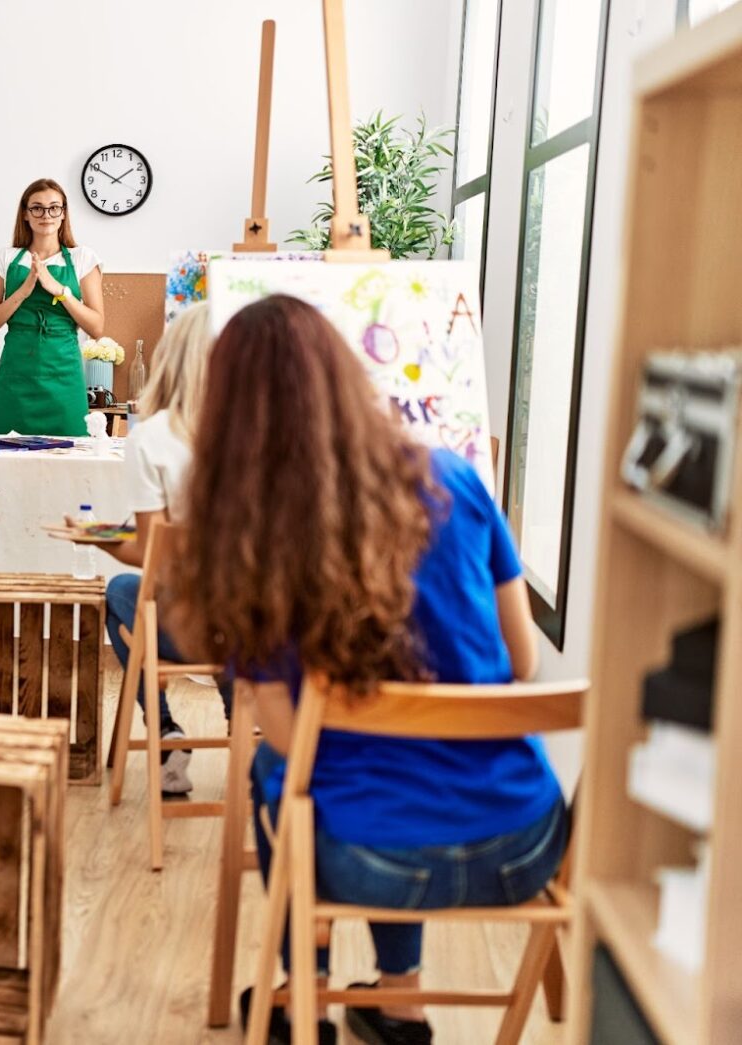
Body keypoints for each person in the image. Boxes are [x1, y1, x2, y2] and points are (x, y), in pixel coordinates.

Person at [172, 295, 563, 1045]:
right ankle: (401, 1003)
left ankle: (307, 1001)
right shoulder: (455, 477)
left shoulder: (260, 538)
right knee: (384, 777)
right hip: (524, 839)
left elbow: (289, 741)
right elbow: (522, 658)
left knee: (279, 779)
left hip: (373, 858)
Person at [94, 303, 232, 794]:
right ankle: (247, 727)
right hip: (261, 630)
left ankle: (168, 733)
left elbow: (156, 558)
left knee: (122, 591)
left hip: (191, 628)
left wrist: (106, 543)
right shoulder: (262, 434)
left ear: (172, 357)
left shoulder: (151, 438)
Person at [0, 177, 106, 436]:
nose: (45, 214)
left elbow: (96, 327)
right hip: (15, 380)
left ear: (63, 213)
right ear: (25, 214)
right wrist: (23, 291)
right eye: (36, 207)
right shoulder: (5, 258)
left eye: (54, 207)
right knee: (6, 462)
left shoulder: (83, 258)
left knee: (71, 464)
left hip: (64, 380)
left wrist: (59, 290)